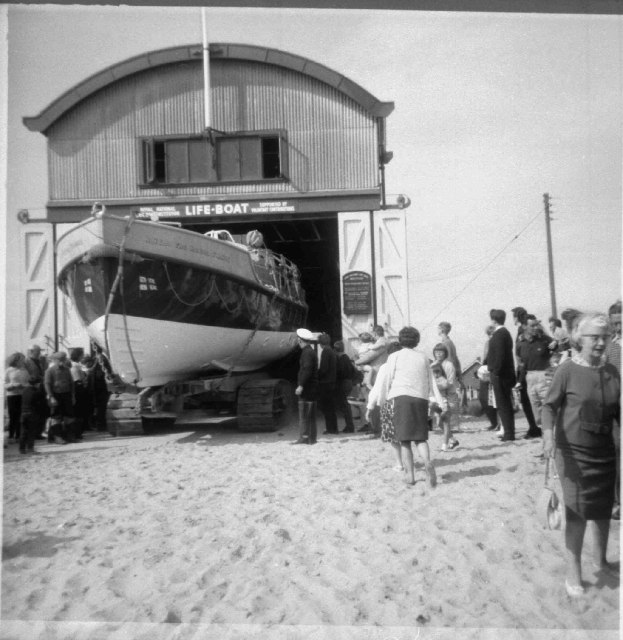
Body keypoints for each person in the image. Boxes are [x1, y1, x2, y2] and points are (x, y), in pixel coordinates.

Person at [541, 312, 620, 597]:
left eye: (605, 337)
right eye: (594, 337)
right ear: (578, 338)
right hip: (573, 452)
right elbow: (548, 407)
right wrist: (548, 436)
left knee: (601, 511)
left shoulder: (612, 371)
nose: (600, 343)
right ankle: (573, 570)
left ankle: (601, 560)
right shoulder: (567, 370)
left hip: (604, 451)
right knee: (577, 513)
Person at [365, 326, 443, 487]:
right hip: (420, 399)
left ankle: (410, 475)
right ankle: (427, 461)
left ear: (400, 340)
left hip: (401, 398)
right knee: (420, 437)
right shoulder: (423, 357)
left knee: (405, 440)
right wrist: (434, 401)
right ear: (417, 341)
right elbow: (430, 381)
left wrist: (384, 400)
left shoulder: (394, 356)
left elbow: (387, 379)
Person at [516, 314, 556, 438]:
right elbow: (522, 364)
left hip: (544, 376)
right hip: (529, 378)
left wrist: (556, 344)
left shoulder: (544, 339)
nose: (535, 328)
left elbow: (560, 349)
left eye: (536, 325)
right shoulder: (520, 343)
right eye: (532, 325)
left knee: (548, 410)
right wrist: (519, 381)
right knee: (537, 415)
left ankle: (553, 442)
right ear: (524, 326)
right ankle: (546, 442)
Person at [366, 341, 403, 469]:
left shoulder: (385, 367)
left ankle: (399, 463)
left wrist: (370, 407)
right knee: (407, 437)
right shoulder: (406, 367)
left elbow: (378, 388)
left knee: (393, 436)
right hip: (405, 402)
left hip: (390, 403)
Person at [485, 309, 516, 441]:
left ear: (494, 320)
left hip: (501, 375)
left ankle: (509, 433)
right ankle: (509, 431)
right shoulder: (505, 333)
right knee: (505, 403)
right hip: (505, 373)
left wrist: (496, 372)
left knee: (503, 404)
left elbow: (500, 356)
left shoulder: (499, 335)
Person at [511, 307, 541, 437]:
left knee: (527, 399)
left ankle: (534, 428)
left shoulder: (521, 331)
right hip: (529, 368)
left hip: (525, 369)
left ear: (517, 317)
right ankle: (534, 426)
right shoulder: (527, 330)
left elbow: (520, 353)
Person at [605, 300, 621, 520]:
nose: (619, 328)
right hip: (616, 408)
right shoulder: (609, 348)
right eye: (615, 324)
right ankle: (617, 501)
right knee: (616, 454)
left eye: (622, 323)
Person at [431, 343, 460, 452]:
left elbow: (450, 382)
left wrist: (437, 386)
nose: (438, 354)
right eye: (436, 352)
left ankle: (444, 445)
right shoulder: (433, 365)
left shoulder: (449, 365)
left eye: (441, 352)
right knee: (439, 423)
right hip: (438, 396)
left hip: (449, 395)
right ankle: (452, 439)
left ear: (445, 353)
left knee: (445, 420)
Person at [292, 328, 318, 445]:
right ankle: (311, 438)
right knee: (310, 413)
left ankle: (304, 437)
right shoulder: (311, 351)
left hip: (307, 388)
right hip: (312, 388)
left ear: (300, 340)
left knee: (304, 414)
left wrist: (301, 385)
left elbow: (307, 370)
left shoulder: (306, 353)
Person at [44, 351, 76, 444]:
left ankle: (70, 436)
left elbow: (71, 383)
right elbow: (47, 384)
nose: (62, 361)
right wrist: (51, 396)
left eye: (64, 359)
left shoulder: (67, 369)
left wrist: (73, 395)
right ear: (55, 360)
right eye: (60, 360)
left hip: (66, 395)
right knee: (56, 417)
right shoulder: (50, 371)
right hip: (56, 395)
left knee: (69, 416)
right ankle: (57, 437)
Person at [24, 344, 48, 439]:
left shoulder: (41, 361)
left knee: (42, 410)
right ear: (31, 352)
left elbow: (45, 371)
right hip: (33, 387)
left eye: (39, 351)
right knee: (35, 411)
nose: (39, 353)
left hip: (41, 387)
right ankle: (33, 433)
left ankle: (39, 432)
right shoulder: (26, 362)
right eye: (37, 351)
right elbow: (29, 375)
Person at [477, 325, 499, 431]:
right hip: (486, 371)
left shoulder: (496, 343)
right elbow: (485, 358)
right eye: (489, 334)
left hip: (493, 371)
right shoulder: (488, 343)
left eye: (492, 334)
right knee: (483, 398)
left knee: (494, 399)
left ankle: (498, 423)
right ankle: (494, 422)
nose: (491, 336)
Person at [4, 352, 30, 443]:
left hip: (22, 394)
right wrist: (13, 385)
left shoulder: (24, 370)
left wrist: (23, 385)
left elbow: (28, 383)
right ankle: (11, 436)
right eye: (21, 359)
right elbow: (4, 384)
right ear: (16, 360)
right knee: (12, 416)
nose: (23, 361)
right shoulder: (8, 370)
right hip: (12, 395)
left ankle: (18, 436)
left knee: (20, 416)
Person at [317, 333, 338, 435]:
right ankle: (334, 429)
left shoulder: (325, 352)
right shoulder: (332, 351)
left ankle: (330, 429)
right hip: (332, 382)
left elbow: (324, 369)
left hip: (326, 383)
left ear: (321, 344)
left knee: (326, 407)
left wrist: (317, 375)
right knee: (331, 407)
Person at [333, 340, 356, 433]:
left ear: (335, 350)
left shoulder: (342, 359)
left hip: (344, 383)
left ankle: (350, 427)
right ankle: (349, 426)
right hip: (348, 382)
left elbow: (341, 372)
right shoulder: (346, 358)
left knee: (345, 406)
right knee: (346, 405)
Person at [69, 347, 89, 439]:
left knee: (78, 411)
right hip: (78, 389)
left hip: (78, 388)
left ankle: (78, 431)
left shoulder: (75, 365)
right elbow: (77, 380)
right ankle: (77, 432)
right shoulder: (75, 366)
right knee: (78, 411)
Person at [437, 321, 463, 388]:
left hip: (447, 373)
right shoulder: (450, 342)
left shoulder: (446, 343)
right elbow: (456, 359)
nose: (437, 330)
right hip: (452, 372)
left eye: (438, 328)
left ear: (442, 330)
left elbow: (450, 359)